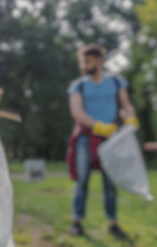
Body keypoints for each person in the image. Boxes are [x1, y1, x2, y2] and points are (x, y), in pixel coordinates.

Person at [66, 44, 139, 238]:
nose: (83, 65)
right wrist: (98, 126)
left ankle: (113, 223)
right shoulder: (78, 85)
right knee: (82, 181)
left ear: (99, 61)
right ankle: (77, 222)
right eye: (82, 61)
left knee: (110, 181)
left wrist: (130, 117)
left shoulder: (115, 81)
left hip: (110, 139)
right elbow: (77, 111)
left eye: (87, 61)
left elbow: (125, 105)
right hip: (86, 137)